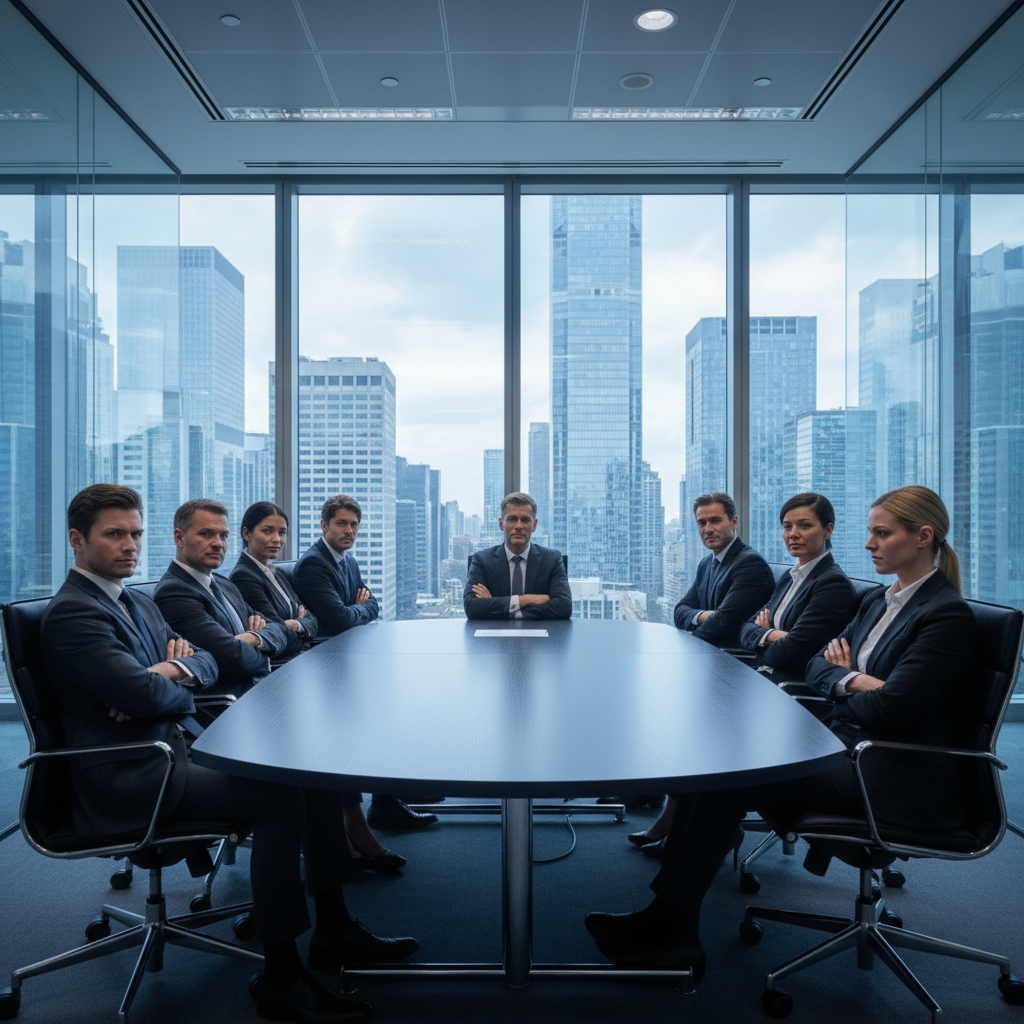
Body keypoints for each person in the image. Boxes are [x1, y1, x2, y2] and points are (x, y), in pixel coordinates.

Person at [42, 484, 418, 1023]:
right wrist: (169, 679)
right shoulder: (75, 614)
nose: (129, 545)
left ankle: (333, 930)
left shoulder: (136, 601)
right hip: (134, 773)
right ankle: (282, 979)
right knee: (280, 796)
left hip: (174, 747)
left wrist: (170, 672)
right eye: (115, 534)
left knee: (313, 776)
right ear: (77, 540)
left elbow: (202, 669)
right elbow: (167, 686)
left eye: (135, 534)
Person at [587, 485, 975, 979]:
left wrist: (845, 678)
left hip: (894, 776)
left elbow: (890, 709)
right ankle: (665, 916)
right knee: (720, 766)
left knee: (730, 773)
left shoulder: (945, 616)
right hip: (848, 745)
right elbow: (818, 663)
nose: (870, 544)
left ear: (923, 537)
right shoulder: (879, 600)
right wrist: (852, 679)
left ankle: (671, 928)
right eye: (871, 532)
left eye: (882, 533)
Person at [295, 494, 437, 832]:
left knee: (398, 700)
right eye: (341, 524)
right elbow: (343, 618)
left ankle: (390, 797)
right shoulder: (314, 564)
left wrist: (357, 610)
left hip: (350, 655)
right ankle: (387, 802)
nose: (349, 530)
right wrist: (357, 611)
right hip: (327, 665)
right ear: (323, 525)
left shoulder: (347, 561)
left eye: (354, 525)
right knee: (385, 709)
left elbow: (373, 604)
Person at [154, 499, 289, 699]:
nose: (218, 543)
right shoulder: (173, 591)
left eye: (223, 535)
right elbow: (232, 658)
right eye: (206, 534)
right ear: (179, 537)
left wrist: (252, 638)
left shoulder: (224, 584)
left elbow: (279, 631)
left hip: (259, 691)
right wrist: (265, 649)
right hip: (229, 705)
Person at [738, 492, 858, 682]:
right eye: (787, 527)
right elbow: (745, 629)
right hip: (765, 679)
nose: (793, 534)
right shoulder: (789, 577)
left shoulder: (833, 584)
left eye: (804, 525)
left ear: (828, 531)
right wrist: (776, 636)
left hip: (790, 688)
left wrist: (760, 640)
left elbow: (793, 652)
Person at [673, 491, 775, 649]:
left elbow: (721, 624)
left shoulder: (750, 564)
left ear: (734, 522)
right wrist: (706, 615)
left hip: (735, 663)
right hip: (710, 655)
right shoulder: (706, 564)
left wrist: (687, 645)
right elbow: (679, 612)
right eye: (702, 523)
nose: (708, 529)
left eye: (715, 521)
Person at [229, 500, 318, 660]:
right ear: (247, 533)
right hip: (277, 667)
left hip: (296, 660)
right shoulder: (244, 576)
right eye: (267, 531)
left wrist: (295, 624)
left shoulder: (274, 571)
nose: (277, 539)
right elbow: (279, 635)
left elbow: (313, 620)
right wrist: (301, 627)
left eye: (282, 532)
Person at [463, 491, 572, 621]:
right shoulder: (482, 561)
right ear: (501, 524)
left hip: (540, 639)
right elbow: (472, 607)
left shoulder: (552, 560)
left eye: (525, 520)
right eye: (512, 519)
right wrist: (527, 599)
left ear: (534, 525)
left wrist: (496, 606)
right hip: (493, 638)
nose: (519, 526)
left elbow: (564, 607)